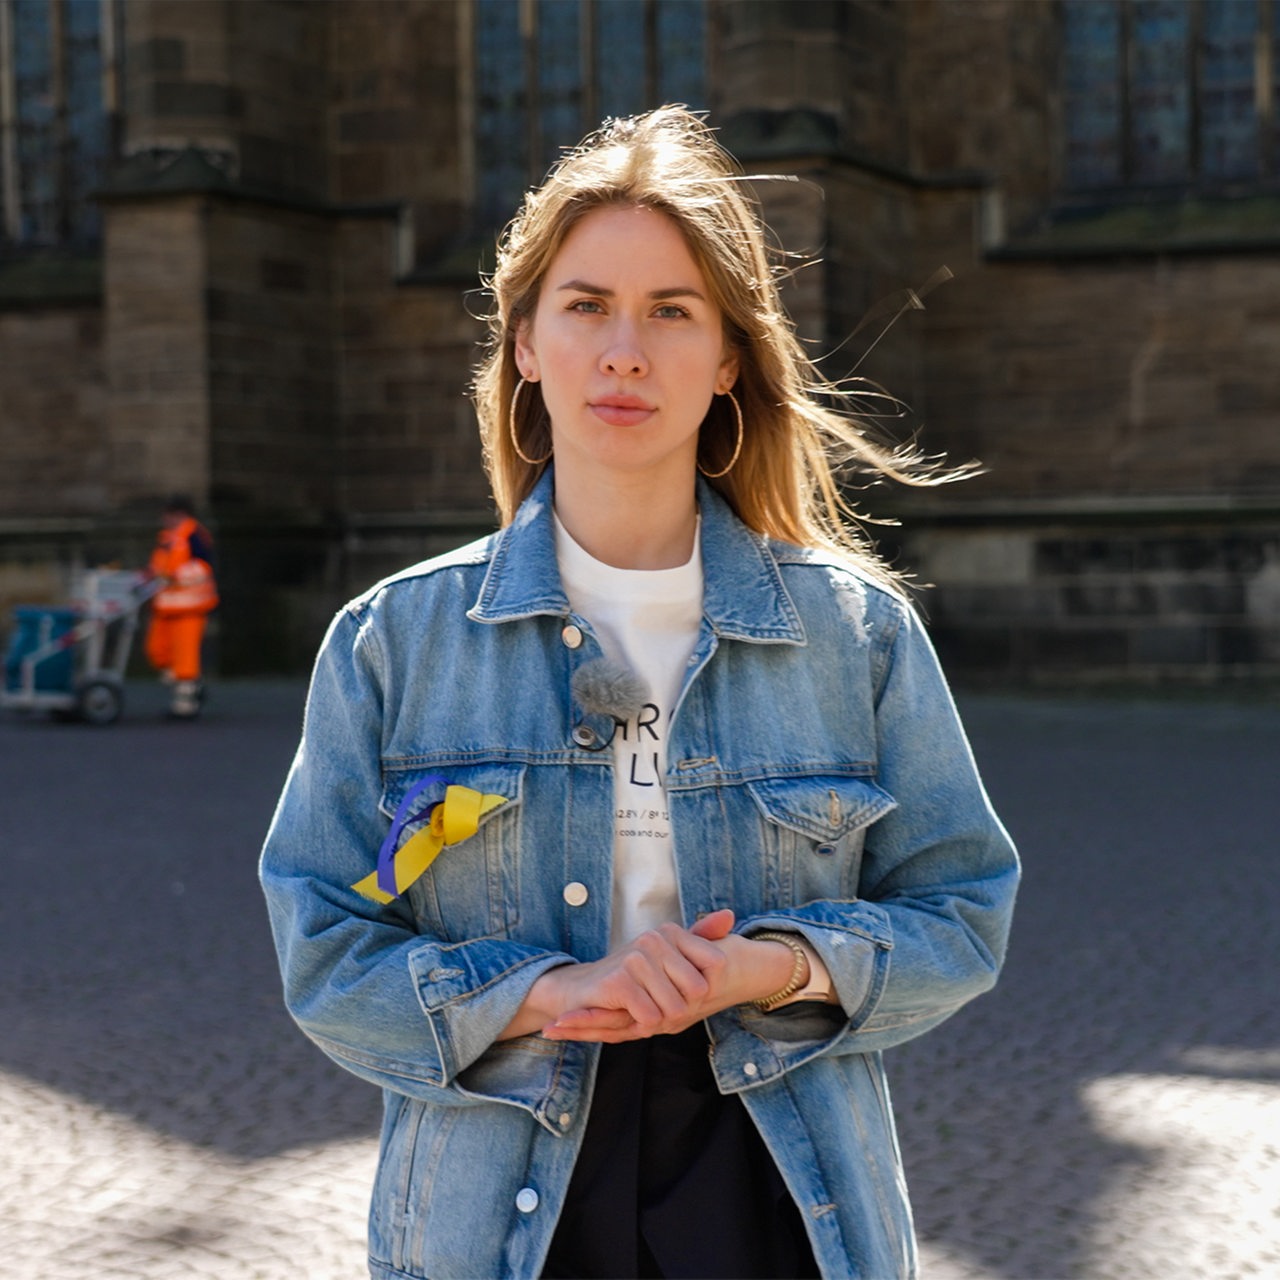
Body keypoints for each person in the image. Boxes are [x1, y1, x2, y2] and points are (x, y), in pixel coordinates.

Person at [259, 107, 1018, 1280]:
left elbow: (961, 910)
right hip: (494, 1187)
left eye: (671, 311)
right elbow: (325, 944)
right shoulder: (394, 642)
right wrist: (553, 987)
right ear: (522, 342)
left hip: (774, 1172)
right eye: (585, 305)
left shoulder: (850, 633)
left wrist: (768, 965)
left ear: (726, 360)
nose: (625, 350)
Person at [143, 495, 218, 718]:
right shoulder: (169, 538)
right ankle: (192, 687)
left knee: (185, 660)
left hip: (189, 608)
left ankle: (185, 704)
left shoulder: (194, 535)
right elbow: (160, 567)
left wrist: (175, 576)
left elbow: (203, 567)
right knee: (159, 652)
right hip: (166, 608)